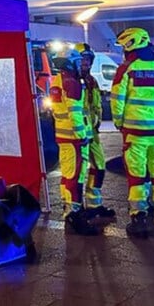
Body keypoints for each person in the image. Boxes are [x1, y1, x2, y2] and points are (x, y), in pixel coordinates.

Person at [111, 28, 154, 239]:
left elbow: (116, 101)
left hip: (135, 134)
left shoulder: (126, 69)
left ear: (130, 46)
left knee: (137, 177)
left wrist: (120, 123)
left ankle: (139, 219)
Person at [50, 47, 98, 235]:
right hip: (73, 138)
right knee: (75, 176)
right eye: (78, 61)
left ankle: (69, 207)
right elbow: (75, 112)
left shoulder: (59, 79)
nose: (81, 64)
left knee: (68, 174)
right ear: (70, 62)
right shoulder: (71, 82)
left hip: (63, 135)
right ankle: (74, 213)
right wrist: (82, 136)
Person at [75, 43, 115, 222]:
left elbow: (96, 106)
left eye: (88, 59)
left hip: (93, 132)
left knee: (99, 167)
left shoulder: (91, 80)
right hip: (79, 135)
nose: (85, 62)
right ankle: (75, 210)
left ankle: (94, 204)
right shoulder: (71, 80)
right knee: (78, 173)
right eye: (82, 59)